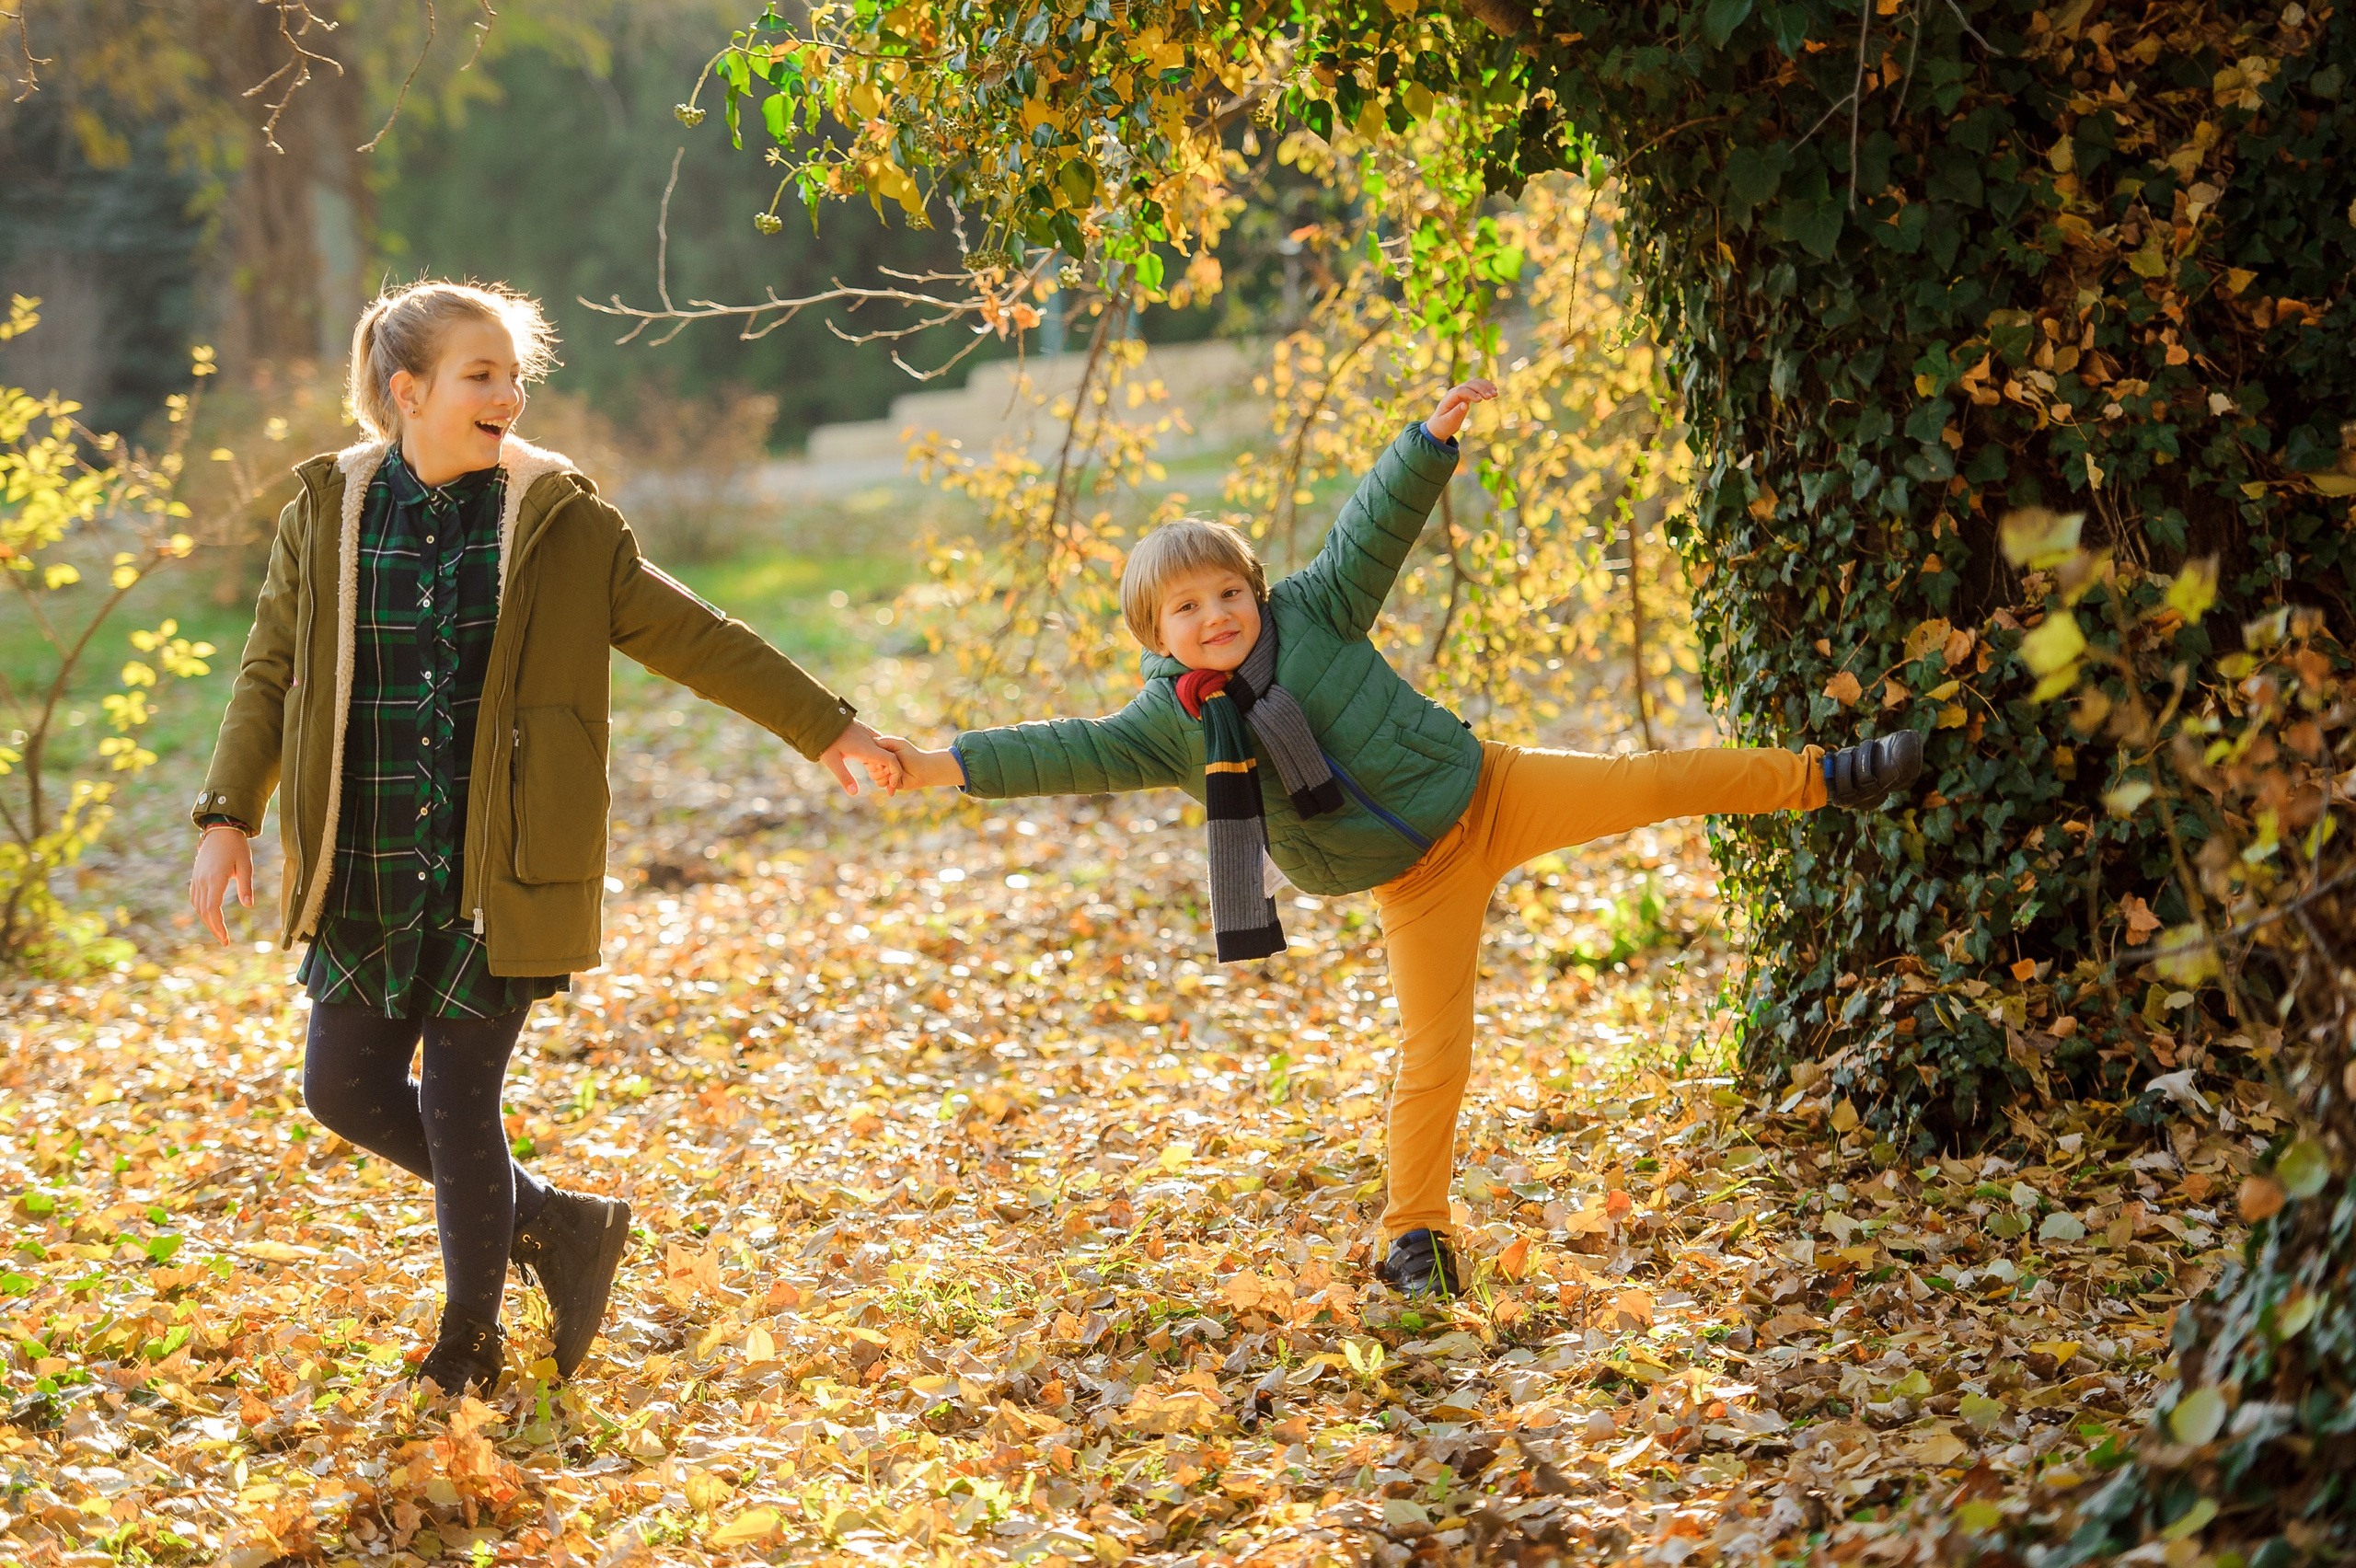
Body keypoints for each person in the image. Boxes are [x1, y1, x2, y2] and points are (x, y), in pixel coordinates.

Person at [876, 377, 1923, 1297]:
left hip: (1488, 789)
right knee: (1436, 1055)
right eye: (1186, 608)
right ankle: (1414, 1235)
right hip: (1411, 882)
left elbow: (1371, 530)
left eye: (1229, 592)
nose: (1216, 616)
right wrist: (932, 763)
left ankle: (1823, 779)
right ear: (1155, 638)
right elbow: (1059, 751)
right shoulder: (1169, 727)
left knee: (1651, 782)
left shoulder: (1319, 613)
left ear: (1256, 590)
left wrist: (1427, 441)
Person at [186, 279, 904, 1392]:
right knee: (343, 1087)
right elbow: (269, 672)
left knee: (466, 1099)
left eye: (517, 376)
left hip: (501, 864)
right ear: (406, 390)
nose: (510, 395)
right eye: (483, 375)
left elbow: (695, 637)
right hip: (366, 855)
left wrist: (831, 728)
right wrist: (228, 817)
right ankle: (559, 1225)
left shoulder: (560, 520)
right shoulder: (325, 513)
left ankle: (468, 1338)